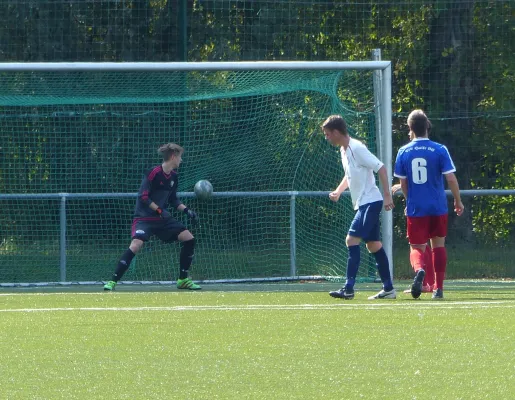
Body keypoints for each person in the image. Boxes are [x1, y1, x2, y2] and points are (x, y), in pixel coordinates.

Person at [103, 143, 201, 291]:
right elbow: (143, 196)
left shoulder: (174, 176)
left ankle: (183, 279)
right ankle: (112, 281)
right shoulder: (154, 173)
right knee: (136, 244)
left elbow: (173, 199)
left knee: (189, 238)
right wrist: (160, 210)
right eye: (180, 157)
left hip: (162, 219)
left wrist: (187, 211)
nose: (181, 160)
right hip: (144, 218)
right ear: (173, 157)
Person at [321, 115, 396, 300]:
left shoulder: (357, 148)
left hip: (370, 202)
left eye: (328, 134)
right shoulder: (343, 150)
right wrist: (338, 191)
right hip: (363, 203)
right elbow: (350, 175)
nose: (327, 138)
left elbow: (381, 168)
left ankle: (348, 288)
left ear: (337, 132)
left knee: (351, 240)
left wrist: (387, 195)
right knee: (373, 245)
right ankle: (388, 289)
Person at [394, 110, 464, 299]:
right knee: (438, 246)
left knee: (416, 247)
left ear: (410, 129)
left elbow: (403, 183)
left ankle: (419, 272)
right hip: (438, 206)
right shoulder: (440, 149)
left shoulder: (403, 151)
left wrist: (409, 200)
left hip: (417, 208)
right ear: (427, 126)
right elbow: (451, 178)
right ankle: (438, 289)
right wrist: (457, 201)